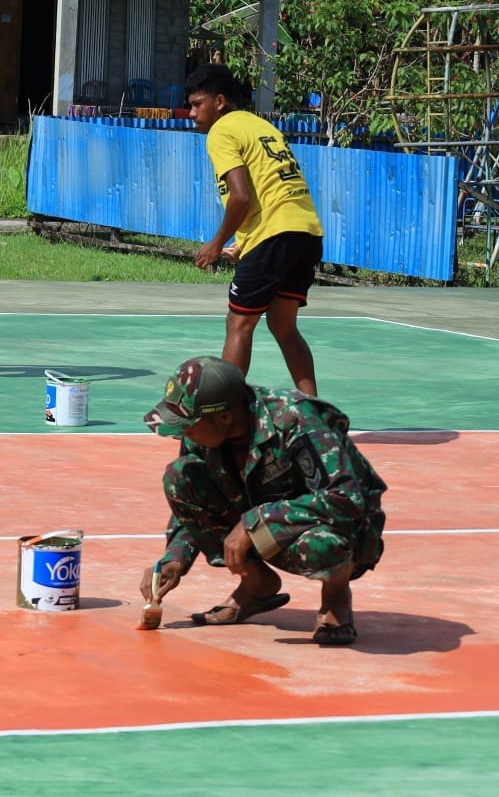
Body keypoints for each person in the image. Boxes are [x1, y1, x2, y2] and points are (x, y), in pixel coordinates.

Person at [139, 355, 386, 646]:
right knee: (180, 476)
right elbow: (193, 501)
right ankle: (257, 585)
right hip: (267, 512)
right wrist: (175, 559)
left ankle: (335, 594)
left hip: (338, 526)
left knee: (324, 547)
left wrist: (255, 521)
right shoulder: (205, 428)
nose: (182, 433)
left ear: (225, 417)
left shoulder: (297, 419)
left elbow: (345, 499)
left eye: (188, 425)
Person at [184, 63, 324, 394]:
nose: (191, 113)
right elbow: (271, 191)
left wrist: (217, 243)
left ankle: (220, 413)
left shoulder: (221, 132)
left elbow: (241, 197)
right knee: (283, 326)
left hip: (275, 235)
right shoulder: (259, 125)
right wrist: (245, 244)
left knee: (238, 325)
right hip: (305, 231)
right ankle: (314, 410)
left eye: (196, 104)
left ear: (219, 102)